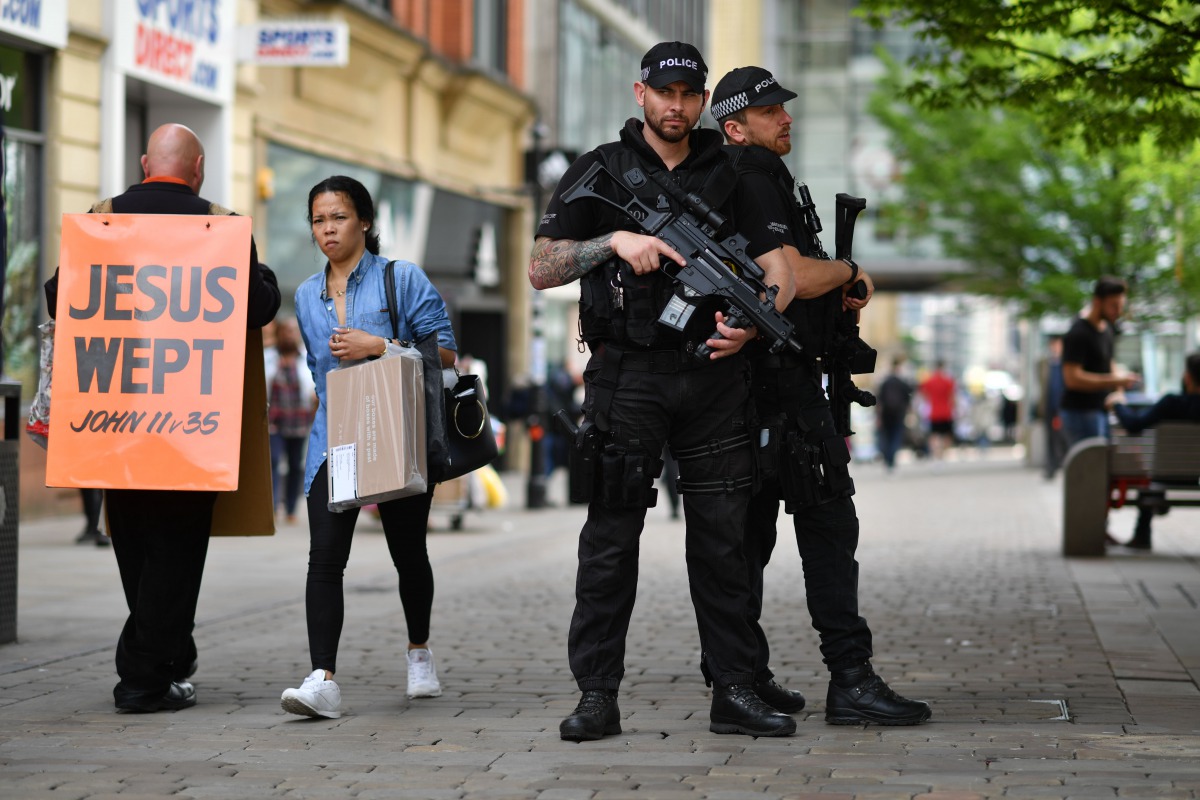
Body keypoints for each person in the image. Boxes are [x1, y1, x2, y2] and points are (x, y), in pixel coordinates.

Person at [529, 42, 799, 740]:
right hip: (629, 376)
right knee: (612, 541)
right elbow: (541, 266)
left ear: (704, 101)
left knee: (723, 542)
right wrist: (613, 243)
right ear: (640, 93)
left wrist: (751, 326)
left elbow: (777, 268)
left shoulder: (733, 171)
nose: (677, 106)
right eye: (665, 92)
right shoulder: (600, 169)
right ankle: (596, 694)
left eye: (689, 94)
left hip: (715, 375)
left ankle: (734, 689)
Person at [712, 65, 931, 726]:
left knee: (749, 535)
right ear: (735, 125)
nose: (786, 117)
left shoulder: (748, 175)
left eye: (784, 106)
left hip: (760, 387)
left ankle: (739, 679)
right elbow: (793, 276)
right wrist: (848, 270)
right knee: (830, 523)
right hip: (779, 385)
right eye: (770, 109)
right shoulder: (751, 175)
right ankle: (850, 679)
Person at [44, 123, 281, 712]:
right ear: (197, 170)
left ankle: (169, 651)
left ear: (146, 162)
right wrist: (267, 278)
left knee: (135, 546)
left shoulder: (101, 220)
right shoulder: (222, 227)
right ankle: (143, 679)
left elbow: (58, 297)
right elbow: (258, 306)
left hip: (114, 425)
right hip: (191, 427)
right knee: (177, 551)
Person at [279, 175, 457, 719]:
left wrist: (380, 345)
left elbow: (446, 354)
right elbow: (318, 368)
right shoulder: (306, 294)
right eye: (318, 220)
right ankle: (322, 679)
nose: (327, 229)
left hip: (395, 435)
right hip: (334, 439)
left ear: (365, 222)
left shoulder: (401, 280)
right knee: (324, 559)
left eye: (338, 217)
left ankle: (419, 652)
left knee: (408, 553)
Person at [1105, 351, 1200, 550]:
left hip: (1164, 474)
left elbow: (1133, 425)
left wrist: (1118, 404)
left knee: (1145, 471)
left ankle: (1142, 536)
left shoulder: (1172, 404)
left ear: (1188, 377)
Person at [1060, 276, 1140, 446]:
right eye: (1114, 306)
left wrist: (1118, 390)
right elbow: (1072, 378)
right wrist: (1115, 380)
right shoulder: (1078, 333)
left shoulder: (1108, 329)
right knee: (1088, 469)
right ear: (1097, 302)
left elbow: (1108, 361)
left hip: (1100, 411)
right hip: (1080, 413)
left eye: (1120, 306)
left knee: (1100, 468)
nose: (1118, 311)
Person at [267, 316, 315, 524]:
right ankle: (274, 505)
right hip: (274, 420)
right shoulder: (269, 357)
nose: (290, 334)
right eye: (286, 330)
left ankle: (291, 509)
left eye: (293, 331)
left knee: (296, 464)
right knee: (275, 460)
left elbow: (313, 386)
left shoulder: (306, 357)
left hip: (299, 420)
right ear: (279, 334)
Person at [1038, 336, 1069, 479]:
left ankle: (1063, 463)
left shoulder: (1066, 363)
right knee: (1050, 438)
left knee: (1064, 436)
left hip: (1064, 407)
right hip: (1050, 406)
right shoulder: (1045, 364)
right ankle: (1051, 467)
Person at [876, 356, 913, 473]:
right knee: (896, 436)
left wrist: (878, 415)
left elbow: (879, 400)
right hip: (899, 413)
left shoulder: (885, 382)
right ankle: (891, 459)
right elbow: (909, 398)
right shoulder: (902, 382)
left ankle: (887, 458)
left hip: (886, 413)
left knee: (886, 436)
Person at [919, 361, 956, 461]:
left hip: (934, 413)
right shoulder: (948, 381)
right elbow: (952, 397)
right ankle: (941, 454)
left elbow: (923, 395)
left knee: (934, 436)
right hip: (946, 412)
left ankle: (936, 453)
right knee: (948, 436)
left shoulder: (929, 381)